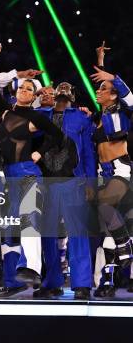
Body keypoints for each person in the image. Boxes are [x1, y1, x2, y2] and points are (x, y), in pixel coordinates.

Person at [0, 44, 65, 296]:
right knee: (8, 229)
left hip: (28, 173)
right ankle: (12, 281)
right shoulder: (6, 109)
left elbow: (57, 135)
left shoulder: (37, 117)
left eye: (30, 89)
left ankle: (32, 268)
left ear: (34, 95)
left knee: (29, 220)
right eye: (22, 87)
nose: (24, 91)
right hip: (6, 175)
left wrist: (39, 152)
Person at [34, 82, 95, 300]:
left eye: (68, 89)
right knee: (48, 234)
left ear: (73, 96)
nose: (63, 90)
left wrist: (90, 182)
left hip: (73, 180)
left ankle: (82, 284)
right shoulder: (41, 114)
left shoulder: (81, 117)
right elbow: (18, 115)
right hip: (46, 181)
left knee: (77, 232)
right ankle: (52, 282)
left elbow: (88, 151)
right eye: (60, 88)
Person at [88, 44, 133, 297]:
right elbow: (105, 87)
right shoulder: (100, 115)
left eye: (103, 89)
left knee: (105, 205)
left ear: (114, 95)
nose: (98, 90)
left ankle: (125, 244)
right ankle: (107, 279)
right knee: (107, 229)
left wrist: (114, 79)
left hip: (122, 170)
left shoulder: (123, 111)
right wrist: (100, 59)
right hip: (103, 172)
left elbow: (129, 97)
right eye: (99, 87)